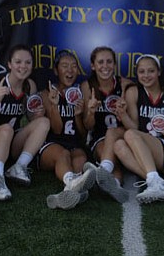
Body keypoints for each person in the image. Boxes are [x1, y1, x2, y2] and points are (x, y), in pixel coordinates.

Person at [0, 45, 50, 200]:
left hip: (10, 142)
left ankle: (19, 166)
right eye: (18, 62)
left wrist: (37, 114)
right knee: (6, 129)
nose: (23, 66)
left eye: (28, 62)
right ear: (9, 64)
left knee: (43, 122)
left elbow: (31, 119)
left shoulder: (30, 85)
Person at [113, 55, 164, 204]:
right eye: (142, 72)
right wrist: (123, 115)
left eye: (151, 71)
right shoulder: (134, 92)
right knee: (118, 146)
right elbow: (135, 127)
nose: (146, 75)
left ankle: (156, 182)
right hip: (143, 149)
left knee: (130, 135)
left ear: (158, 72)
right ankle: (161, 184)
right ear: (137, 74)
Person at [40, 50, 95, 210]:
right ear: (56, 71)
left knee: (80, 158)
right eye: (65, 66)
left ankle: (65, 195)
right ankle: (72, 183)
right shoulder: (47, 93)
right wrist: (54, 105)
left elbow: (83, 134)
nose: (70, 70)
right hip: (52, 145)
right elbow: (56, 130)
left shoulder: (80, 93)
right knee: (63, 154)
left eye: (73, 66)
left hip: (74, 144)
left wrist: (78, 115)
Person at [80, 46, 132, 203]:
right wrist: (90, 112)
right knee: (105, 151)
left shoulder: (125, 85)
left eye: (109, 61)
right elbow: (88, 126)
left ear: (115, 65)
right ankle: (115, 184)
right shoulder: (87, 86)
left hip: (124, 134)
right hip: (99, 138)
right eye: (100, 62)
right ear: (93, 66)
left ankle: (103, 171)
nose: (105, 66)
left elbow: (136, 124)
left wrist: (124, 113)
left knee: (112, 134)